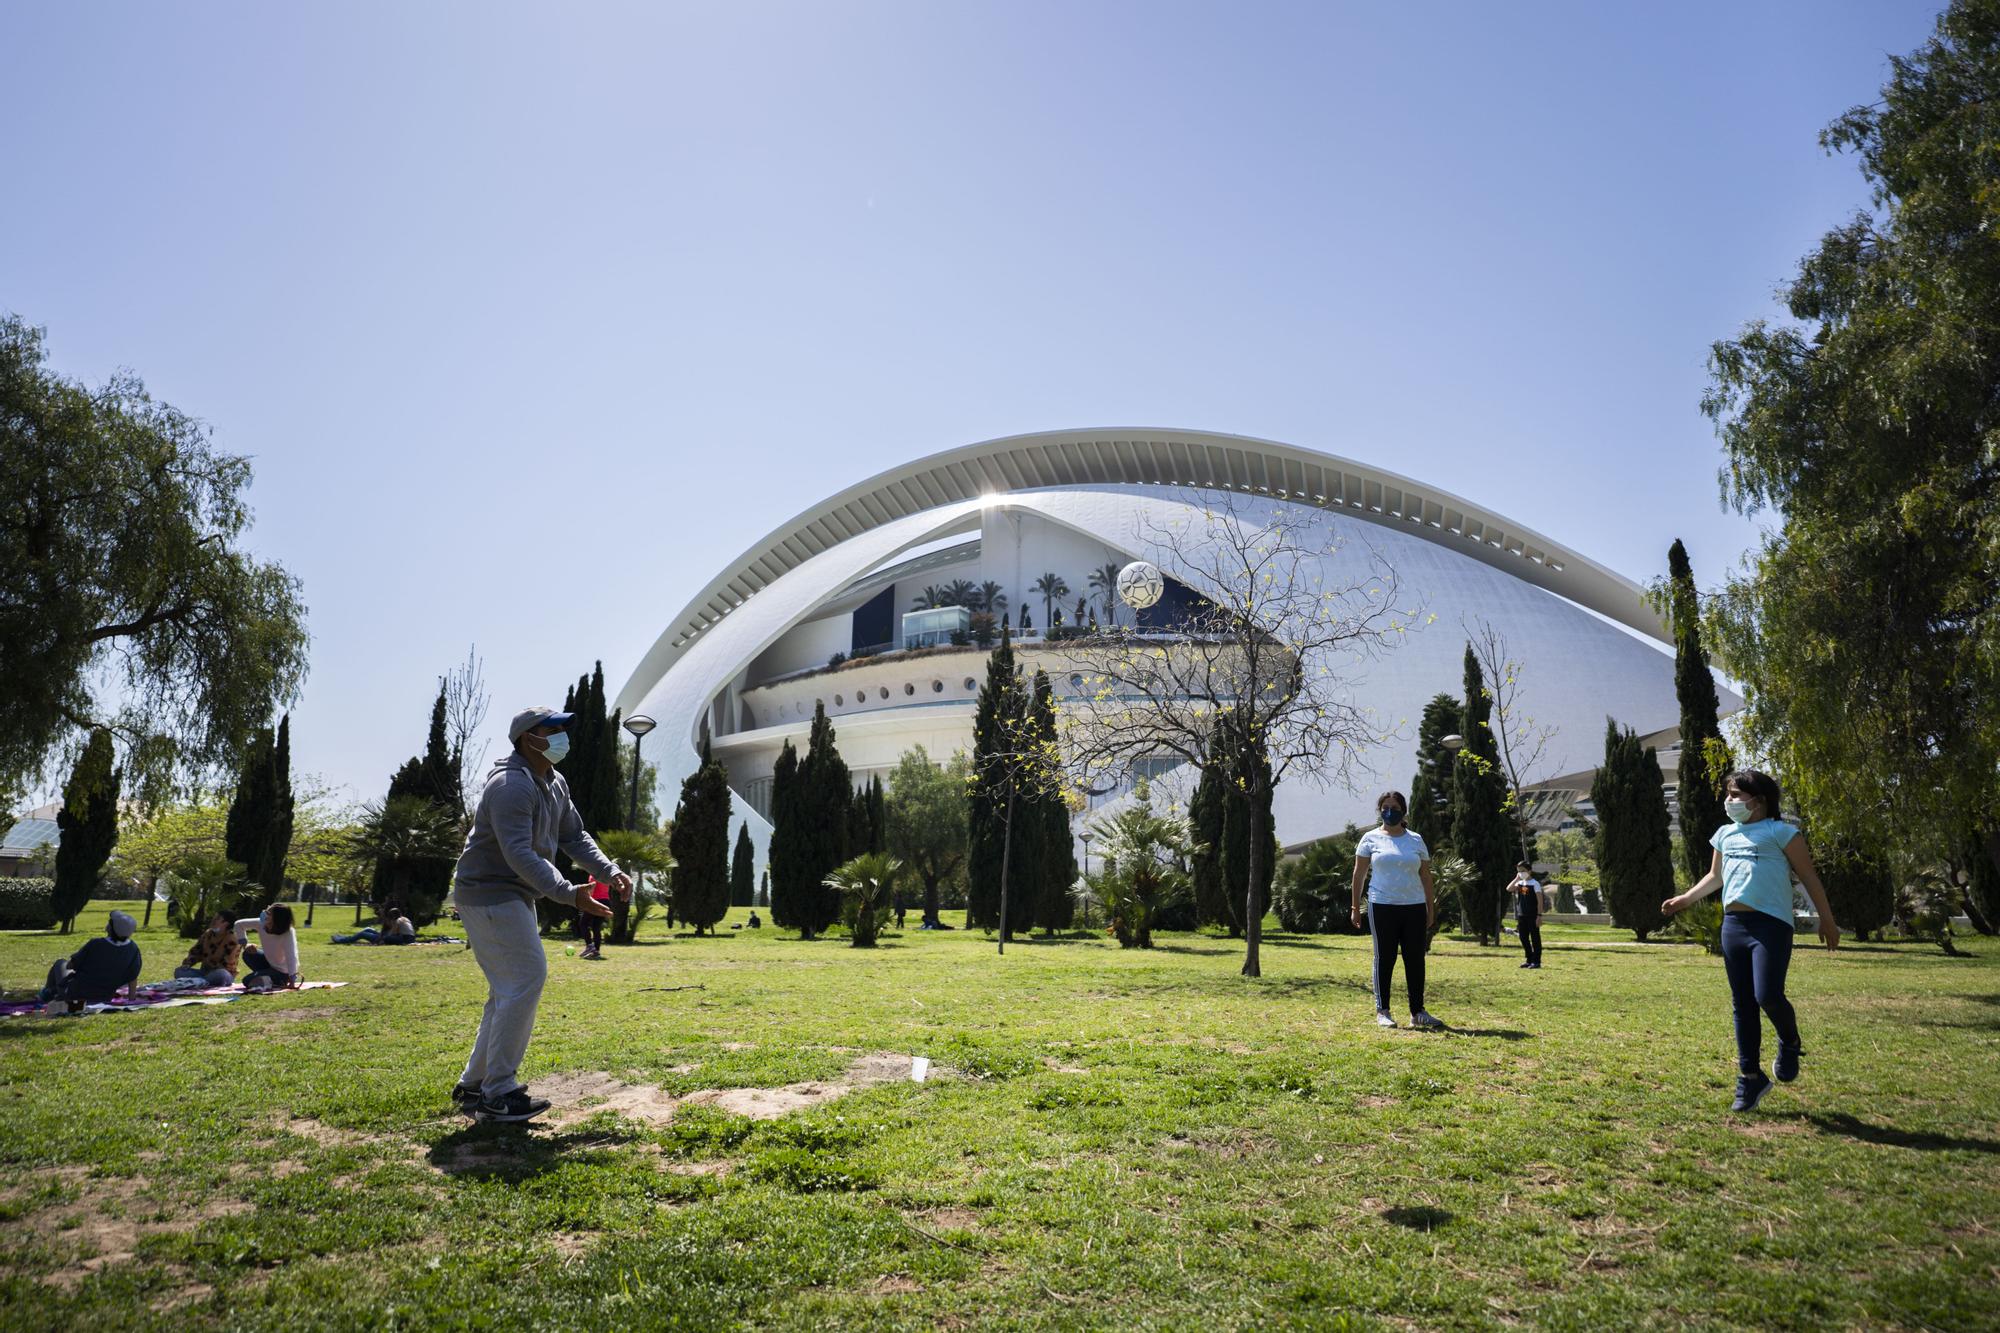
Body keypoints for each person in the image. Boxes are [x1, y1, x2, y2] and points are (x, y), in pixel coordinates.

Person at [450, 706, 627, 1123]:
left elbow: (574, 835)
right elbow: (520, 855)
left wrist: (609, 870)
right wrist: (569, 894)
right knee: (525, 978)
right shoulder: (511, 786)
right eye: (555, 729)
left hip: (512, 895)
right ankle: (498, 1093)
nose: (564, 736)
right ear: (529, 738)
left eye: (565, 728)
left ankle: (474, 1085)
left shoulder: (553, 781)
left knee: (507, 989)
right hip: (489, 892)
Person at [1662, 769, 1839, 1112]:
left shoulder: (1781, 833)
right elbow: (1715, 877)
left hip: (1771, 926)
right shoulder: (1725, 834)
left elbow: (1809, 877)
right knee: (1742, 1004)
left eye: (1735, 795)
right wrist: (1685, 899)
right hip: (1734, 926)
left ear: (1759, 801)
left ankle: (1789, 1041)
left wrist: (1827, 921)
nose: (1729, 802)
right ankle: (1750, 1077)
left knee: (1768, 995)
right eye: (1728, 795)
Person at [1349, 791, 1445, 1030]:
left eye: (1394, 807)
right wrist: (1354, 907)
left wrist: (1429, 908)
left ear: (1404, 811)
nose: (1389, 811)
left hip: (1413, 906)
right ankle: (1383, 1011)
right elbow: (1358, 874)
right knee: (1385, 958)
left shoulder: (1415, 839)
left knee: (1415, 960)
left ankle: (1417, 1012)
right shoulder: (1370, 838)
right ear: (1380, 810)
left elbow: (1426, 876)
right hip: (1381, 905)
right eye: (1385, 807)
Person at [40, 910, 143, 1010]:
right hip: (104, 997)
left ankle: (47, 994)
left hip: (75, 993)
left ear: (110, 928)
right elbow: (132, 977)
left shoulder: (96, 944)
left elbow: (70, 965)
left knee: (60, 963)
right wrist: (131, 999)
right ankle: (53, 993)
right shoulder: (133, 949)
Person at [236, 904, 301, 989]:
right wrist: (246, 945)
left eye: (268, 913)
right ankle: (267, 976)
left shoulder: (288, 932)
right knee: (248, 953)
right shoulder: (261, 923)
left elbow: (291, 956)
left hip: (283, 972)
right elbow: (239, 924)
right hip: (270, 964)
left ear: (277, 918)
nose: (264, 914)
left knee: (247, 981)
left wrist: (292, 980)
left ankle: (278, 980)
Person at [176, 911, 241, 984]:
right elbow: (196, 951)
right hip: (204, 972)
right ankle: (203, 981)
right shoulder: (207, 934)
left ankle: (201, 981)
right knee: (179, 972)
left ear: (225, 924)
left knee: (221, 975)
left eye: (217, 919)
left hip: (222, 972)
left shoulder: (233, 939)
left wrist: (211, 963)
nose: (213, 921)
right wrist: (187, 964)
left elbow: (227, 963)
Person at [1507, 861, 1544, 969]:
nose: (1521, 873)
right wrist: (1517, 878)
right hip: (1522, 915)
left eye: (1523, 871)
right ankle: (1529, 959)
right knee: (1523, 937)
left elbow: (1540, 901)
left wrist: (1539, 916)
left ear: (1529, 871)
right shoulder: (1520, 883)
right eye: (1519, 871)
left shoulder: (1535, 884)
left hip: (1533, 915)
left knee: (1535, 938)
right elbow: (1509, 888)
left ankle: (1536, 961)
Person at [334, 908, 417, 945]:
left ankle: (342, 940)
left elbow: (393, 933)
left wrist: (381, 937)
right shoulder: (405, 919)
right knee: (368, 929)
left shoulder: (397, 920)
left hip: (403, 939)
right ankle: (346, 938)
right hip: (408, 938)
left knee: (363, 934)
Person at [579, 877, 612, 960]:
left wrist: (586, 901)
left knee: (583, 923)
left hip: (596, 901)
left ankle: (590, 946)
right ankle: (596, 951)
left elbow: (592, 887)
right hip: (606, 901)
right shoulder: (605, 875)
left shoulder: (594, 875)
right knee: (596, 927)